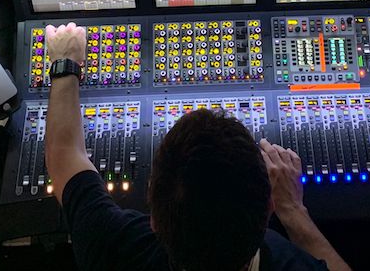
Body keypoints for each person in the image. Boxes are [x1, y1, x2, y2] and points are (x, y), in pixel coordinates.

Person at [44, 23, 353, 271]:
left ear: (154, 221)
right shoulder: (292, 263)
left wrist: (65, 64)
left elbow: (63, 156)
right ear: (268, 211)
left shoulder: (113, 247)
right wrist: (294, 211)